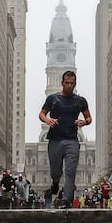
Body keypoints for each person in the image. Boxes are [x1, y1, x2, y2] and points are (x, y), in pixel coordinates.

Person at [38, 70, 92, 209]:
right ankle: (55, 182)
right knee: (55, 171)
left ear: (75, 84)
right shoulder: (53, 99)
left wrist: (84, 122)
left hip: (72, 141)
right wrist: (48, 120)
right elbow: (42, 114)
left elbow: (88, 117)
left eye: (72, 83)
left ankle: (67, 200)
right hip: (55, 140)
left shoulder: (80, 101)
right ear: (62, 83)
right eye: (67, 83)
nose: (69, 86)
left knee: (70, 170)